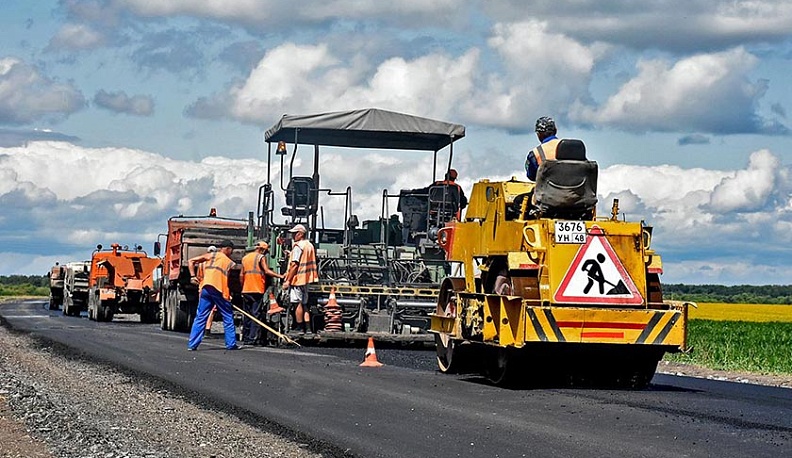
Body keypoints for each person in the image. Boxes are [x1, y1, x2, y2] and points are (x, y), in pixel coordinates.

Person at [186, 240, 240, 350]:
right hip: (218, 290)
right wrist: (227, 296)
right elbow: (225, 281)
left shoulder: (210, 256)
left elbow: (190, 261)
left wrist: (192, 276)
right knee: (227, 315)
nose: (231, 253)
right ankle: (231, 344)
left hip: (206, 288)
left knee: (200, 316)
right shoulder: (229, 262)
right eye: (231, 250)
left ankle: (192, 345)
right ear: (228, 249)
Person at [239, 241, 284, 344]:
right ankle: (253, 338)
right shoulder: (260, 257)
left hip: (246, 289)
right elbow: (267, 271)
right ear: (262, 250)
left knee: (247, 314)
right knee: (256, 314)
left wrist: (243, 287)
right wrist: (280, 276)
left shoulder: (245, 258)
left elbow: (241, 275)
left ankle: (246, 337)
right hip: (257, 289)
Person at [281, 224, 319, 334]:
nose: (293, 236)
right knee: (304, 303)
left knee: (297, 303)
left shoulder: (298, 246)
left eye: (295, 233)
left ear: (301, 234)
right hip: (306, 279)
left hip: (297, 279)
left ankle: (299, 327)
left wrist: (288, 280)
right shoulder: (309, 245)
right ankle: (307, 328)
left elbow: (295, 265)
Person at [525, 116, 561, 182]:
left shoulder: (535, 153)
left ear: (539, 134)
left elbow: (531, 176)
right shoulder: (571, 147)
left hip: (548, 191)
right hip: (574, 189)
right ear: (555, 130)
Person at [201, 246, 217, 337]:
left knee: (203, 309)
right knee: (212, 310)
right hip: (214, 287)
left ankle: (202, 329)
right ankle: (207, 329)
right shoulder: (217, 263)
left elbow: (199, 275)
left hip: (203, 287)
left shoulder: (202, 263)